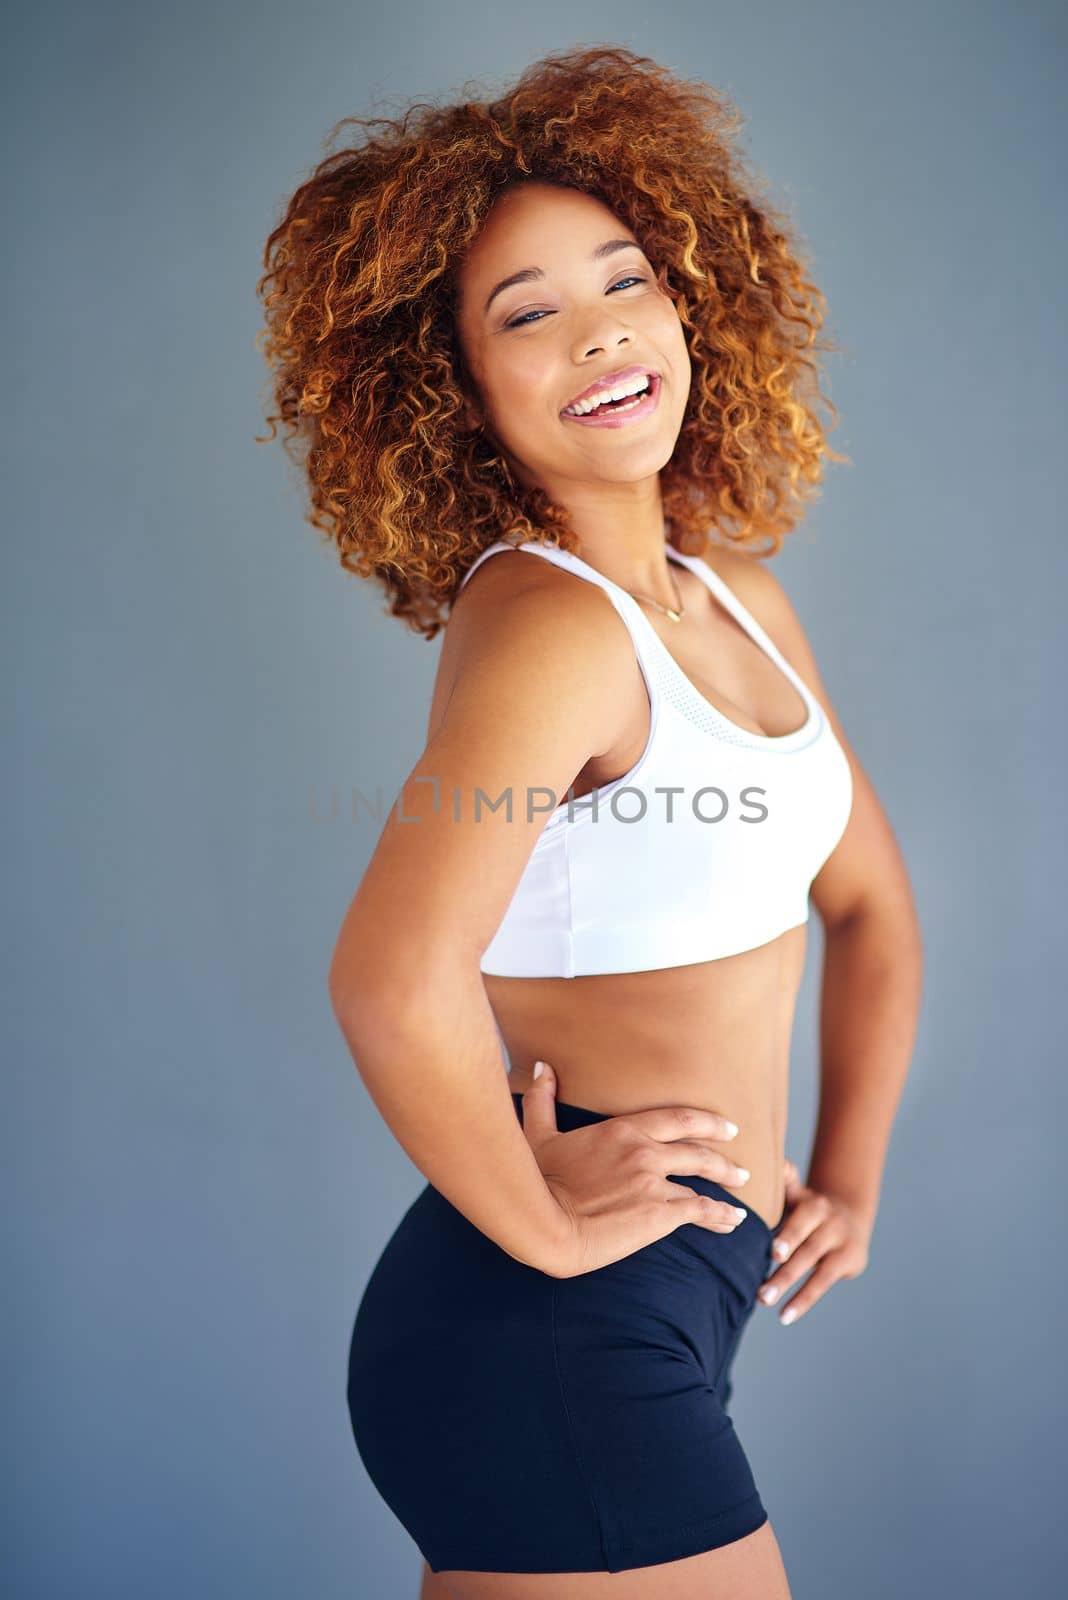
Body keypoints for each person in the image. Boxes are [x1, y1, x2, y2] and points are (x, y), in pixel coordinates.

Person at [257, 44, 923, 1600]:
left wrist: (850, 1172)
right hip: (557, 1326)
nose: (602, 326)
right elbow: (390, 980)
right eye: (527, 310)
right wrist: (548, 1238)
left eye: (626, 277)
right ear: (460, 390)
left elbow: (870, 904)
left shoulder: (735, 605)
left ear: (694, 302)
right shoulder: (548, 631)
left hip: (682, 1296)